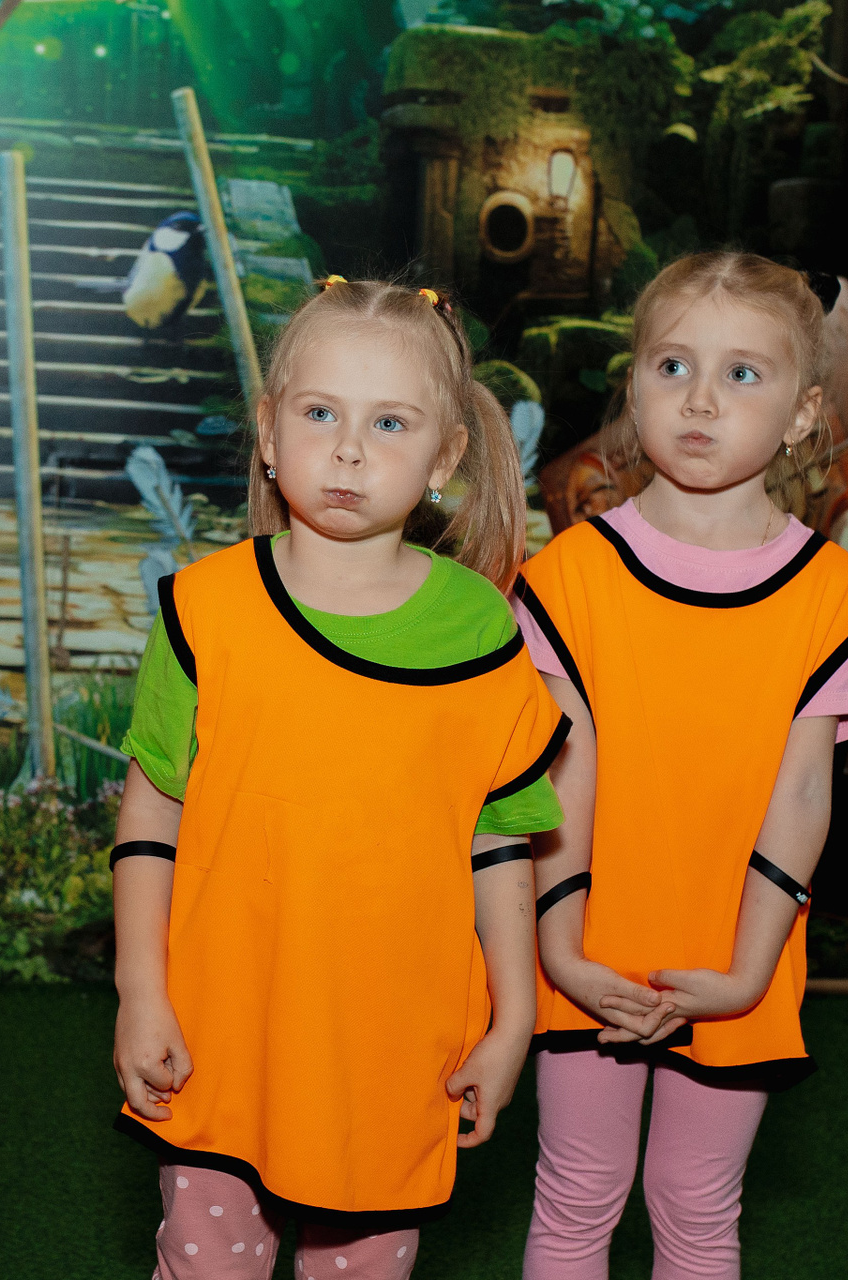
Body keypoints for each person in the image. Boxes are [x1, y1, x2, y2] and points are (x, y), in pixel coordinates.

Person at [111, 277, 568, 1279]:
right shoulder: (203, 611)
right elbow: (152, 818)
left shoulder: (482, 631)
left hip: (393, 1056)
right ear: (269, 430)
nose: (350, 449)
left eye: (389, 422)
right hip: (221, 1038)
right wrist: (140, 992)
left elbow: (500, 839)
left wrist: (514, 1022)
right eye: (321, 413)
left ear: (444, 456)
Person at [516, 252, 848, 1279]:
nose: (700, 399)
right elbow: (560, 779)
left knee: (696, 1204)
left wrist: (747, 972)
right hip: (587, 951)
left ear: (803, 412)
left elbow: (802, 796)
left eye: (743, 372)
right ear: (634, 387)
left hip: (739, 964)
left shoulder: (832, 599)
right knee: (577, 1193)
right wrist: (563, 951)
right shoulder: (569, 576)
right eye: (673, 366)